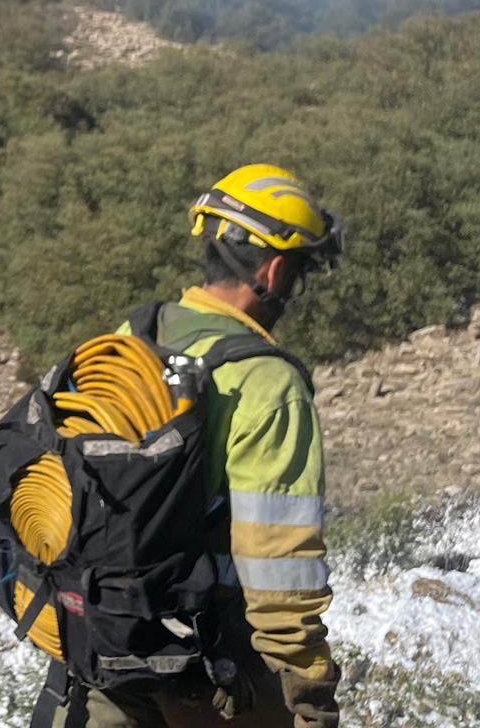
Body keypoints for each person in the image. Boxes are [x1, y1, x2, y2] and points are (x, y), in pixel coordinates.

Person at [74, 164, 344, 728]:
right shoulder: (267, 382)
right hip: (217, 663)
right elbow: (279, 564)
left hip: (108, 644)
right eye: (298, 275)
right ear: (274, 269)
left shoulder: (129, 339)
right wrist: (307, 685)